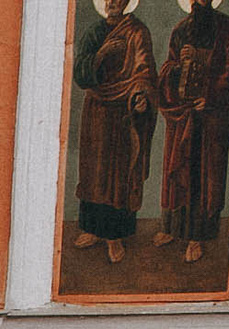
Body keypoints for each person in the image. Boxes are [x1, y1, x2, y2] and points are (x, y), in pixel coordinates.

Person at [158, 0, 229, 264]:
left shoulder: (227, 28)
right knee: (179, 168)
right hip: (182, 111)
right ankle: (172, 228)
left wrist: (209, 95)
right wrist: (178, 65)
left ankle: (197, 237)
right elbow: (168, 68)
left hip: (211, 115)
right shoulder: (180, 29)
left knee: (204, 173)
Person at [71, 0, 158, 264]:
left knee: (119, 173)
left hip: (123, 112)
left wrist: (141, 95)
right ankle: (93, 230)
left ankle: (115, 237)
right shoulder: (94, 33)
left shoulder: (137, 31)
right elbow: (80, 72)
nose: (112, 3)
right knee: (95, 171)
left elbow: (144, 71)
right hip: (97, 111)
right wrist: (100, 54)